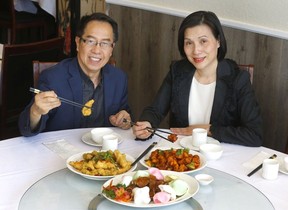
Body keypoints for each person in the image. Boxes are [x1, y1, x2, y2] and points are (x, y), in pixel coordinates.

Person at [132, 11, 262, 147]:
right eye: (189, 43)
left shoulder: (238, 79)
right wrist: (147, 123)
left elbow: (254, 134)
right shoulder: (178, 71)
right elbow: (155, 110)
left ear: (218, 41)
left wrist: (209, 130)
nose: (196, 50)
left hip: (220, 156)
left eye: (203, 41)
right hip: (181, 155)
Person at [19, 13, 132, 137]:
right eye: (90, 41)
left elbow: (124, 113)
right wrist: (36, 111)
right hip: (62, 151)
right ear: (78, 43)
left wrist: (124, 119)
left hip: (102, 153)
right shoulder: (53, 78)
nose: (96, 50)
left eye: (104, 43)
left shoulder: (119, 78)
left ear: (112, 48)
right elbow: (27, 129)